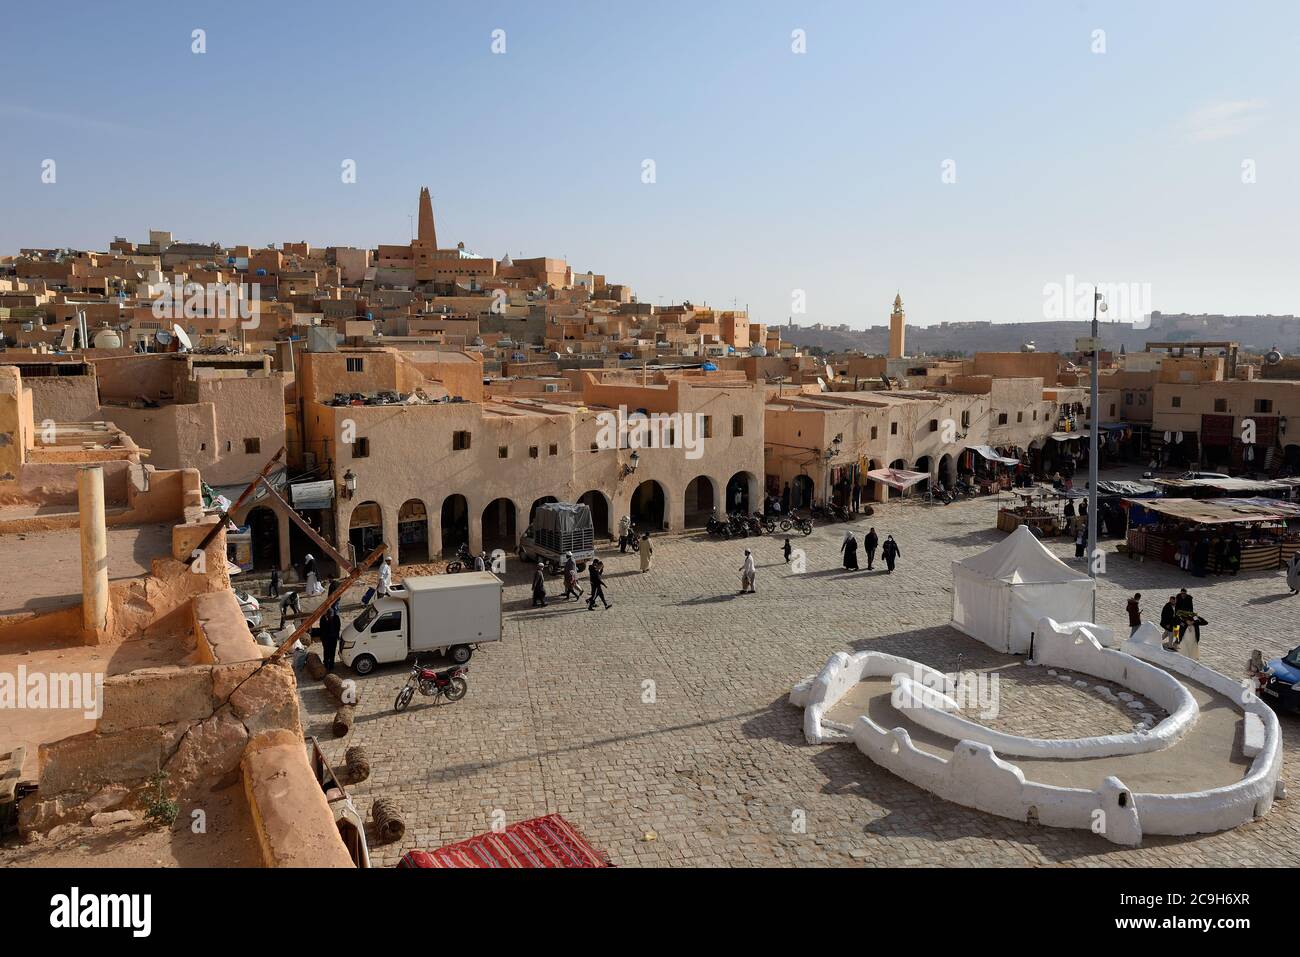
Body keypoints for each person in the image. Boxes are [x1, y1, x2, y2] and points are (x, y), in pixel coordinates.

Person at [318, 603, 341, 671]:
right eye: (329, 615)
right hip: (326, 638)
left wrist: (337, 636)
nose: (330, 617)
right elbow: (322, 629)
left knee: (332, 652)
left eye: (331, 615)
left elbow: (338, 628)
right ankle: (326, 664)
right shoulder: (323, 619)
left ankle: (331, 665)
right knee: (326, 651)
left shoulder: (336, 618)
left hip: (333, 638)